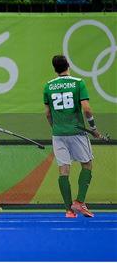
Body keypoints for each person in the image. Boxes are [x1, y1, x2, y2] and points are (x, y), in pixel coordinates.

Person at [43, 55, 101, 218]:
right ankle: (79, 202)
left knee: (63, 170)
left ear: (55, 69)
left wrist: (56, 128)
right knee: (87, 164)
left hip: (58, 134)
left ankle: (69, 210)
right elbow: (87, 109)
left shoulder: (48, 86)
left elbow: (47, 114)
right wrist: (94, 128)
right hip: (77, 132)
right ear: (68, 65)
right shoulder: (78, 83)